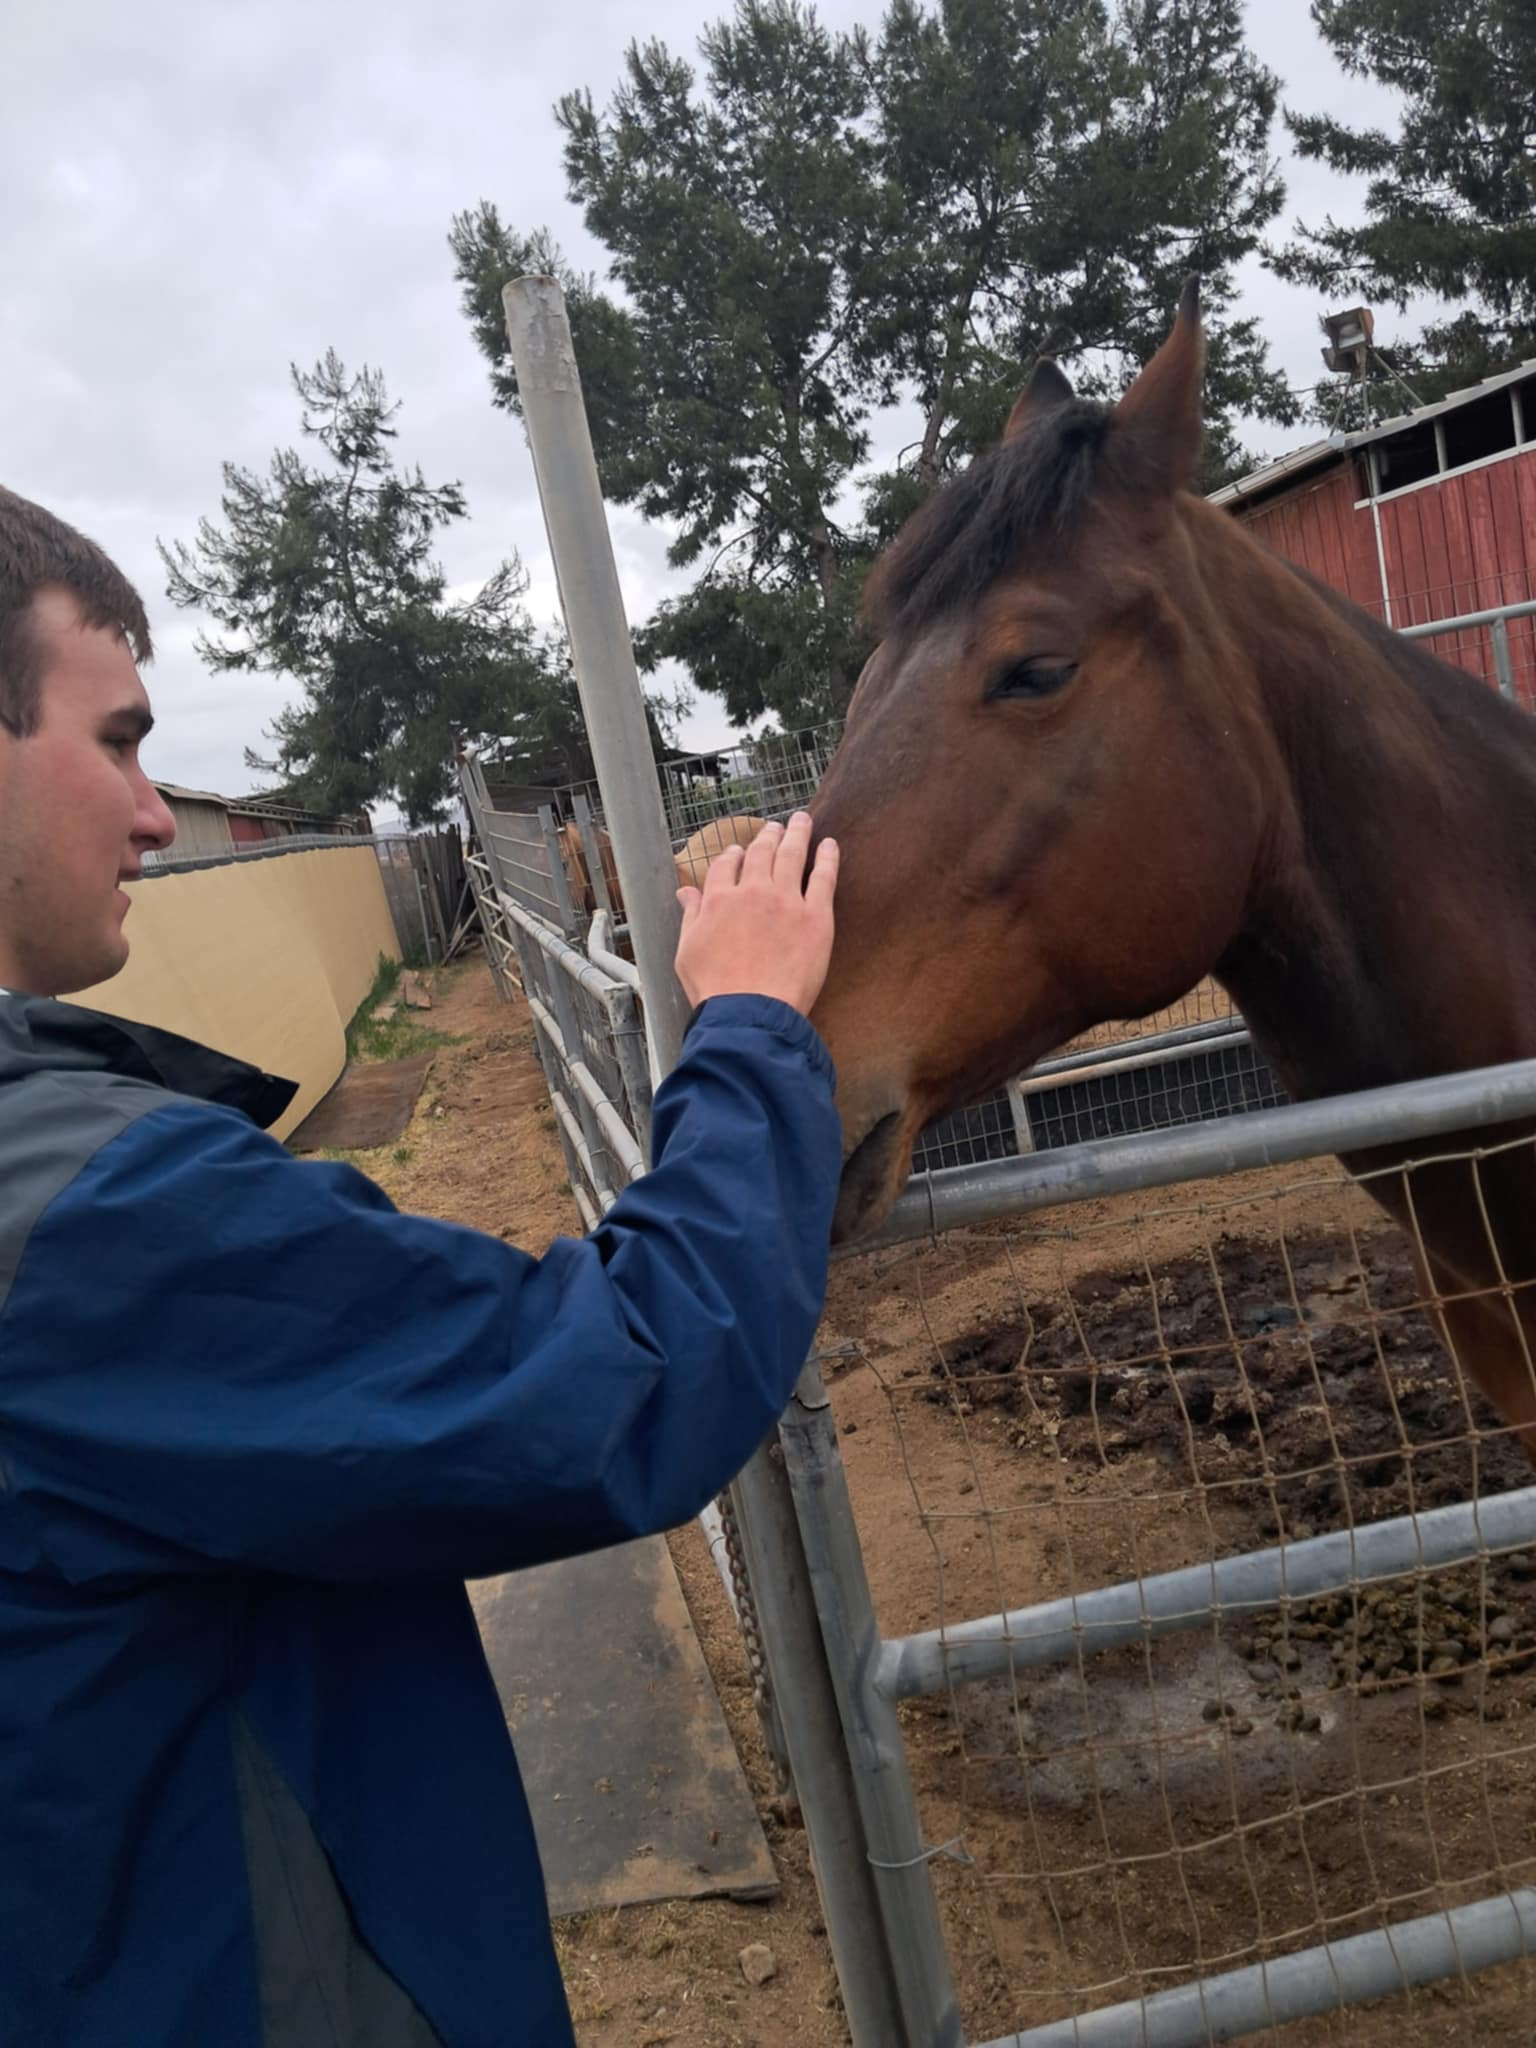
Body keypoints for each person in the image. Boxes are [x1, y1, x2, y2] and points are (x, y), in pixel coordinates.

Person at [0, 482, 842, 2048]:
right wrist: (749, 1024)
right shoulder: (83, 1222)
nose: (154, 813)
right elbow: (623, 1372)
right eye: (116, 738)